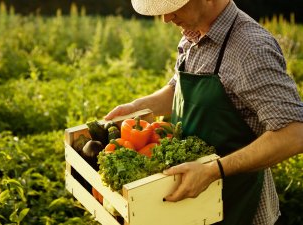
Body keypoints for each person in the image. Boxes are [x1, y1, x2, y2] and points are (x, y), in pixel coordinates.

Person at [104, 0, 303, 224]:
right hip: (192, 206)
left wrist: (212, 170)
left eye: (173, 6)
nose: (166, 18)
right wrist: (138, 106)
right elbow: (179, 89)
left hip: (238, 206)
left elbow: (294, 133)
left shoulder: (250, 48)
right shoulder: (193, 33)